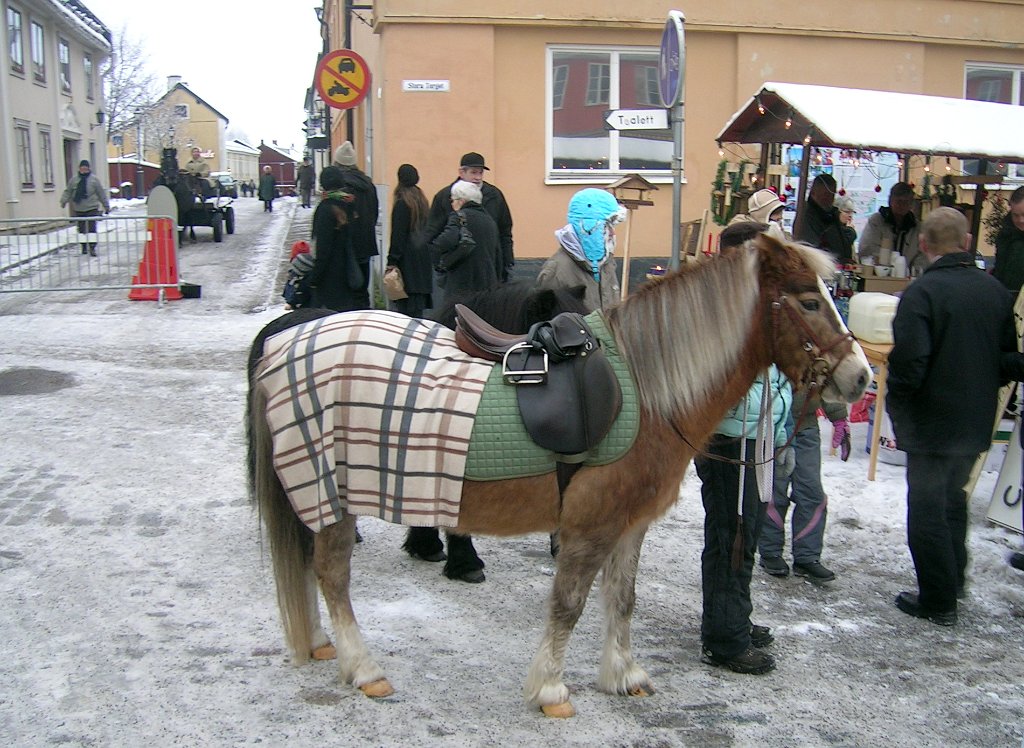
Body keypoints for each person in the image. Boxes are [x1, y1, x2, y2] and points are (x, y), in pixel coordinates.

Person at [886, 207, 1017, 626]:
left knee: (926, 510)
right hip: (975, 417)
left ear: (924, 244)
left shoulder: (922, 294)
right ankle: (953, 579)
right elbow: (1005, 358)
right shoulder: (995, 292)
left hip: (930, 421)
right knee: (953, 499)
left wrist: (898, 406)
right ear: (966, 242)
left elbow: (910, 364)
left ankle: (938, 599)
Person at [695, 220, 792, 675]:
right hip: (729, 440)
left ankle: (734, 617)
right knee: (729, 537)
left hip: (756, 434)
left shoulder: (751, 304)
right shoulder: (716, 311)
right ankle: (725, 639)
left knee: (745, 533)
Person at [759, 386, 850, 583]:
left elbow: (826, 380)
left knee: (812, 492)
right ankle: (770, 552)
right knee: (774, 491)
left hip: (806, 426)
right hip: (773, 425)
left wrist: (839, 416)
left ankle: (807, 557)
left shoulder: (817, 355)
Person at [425, 152, 514, 281]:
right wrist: (438, 264)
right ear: (462, 172)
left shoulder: (494, 195)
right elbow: (433, 231)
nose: (477, 177)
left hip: (489, 266)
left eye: (480, 173)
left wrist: (507, 262)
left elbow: (505, 231)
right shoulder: (445, 196)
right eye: (473, 172)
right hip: (456, 268)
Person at [536, 188, 626, 311]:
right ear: (589, 226)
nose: (612, 233)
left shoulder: (606, 263)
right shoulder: (557, 271)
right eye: (606, 226)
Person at [308, 165, 370, 312]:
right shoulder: (350, 204)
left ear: (323, 184)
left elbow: (322, 249)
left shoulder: (325, 209)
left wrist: (314, 278)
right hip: (348, 274)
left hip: (330, 280)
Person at [429, 180, 500, 298]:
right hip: (486, 284)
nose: (452, 204)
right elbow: (498, 253)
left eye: (453, 200)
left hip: (461, 282)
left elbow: (447, 239)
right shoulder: (490, 221)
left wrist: (433, 249)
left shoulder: (459, 216)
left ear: (461, 201)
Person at [386, 164, 433, 318]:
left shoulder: (402, 203)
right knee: (417, 313)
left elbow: (398, 236)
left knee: (405, 313)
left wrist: (391, 261)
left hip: (407, 264)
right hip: (422, 262)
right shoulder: (422, 201)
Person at [332, 141, 380, 271]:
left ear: (337, 163)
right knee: (362, 285)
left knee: (349, 287)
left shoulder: (340, 187)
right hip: (366, 243)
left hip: (347, 247)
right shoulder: (369, 184)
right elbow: (374, 213)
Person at [858, 182, 923, 274]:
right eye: (899, 201)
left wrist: (912, 271)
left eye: (906, 202)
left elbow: (922, 255)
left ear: (911, 204)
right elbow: (867, 248)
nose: (902, 206)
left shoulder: (917, 227)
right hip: (878, 276)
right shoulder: (877, 221)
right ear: (890, 201)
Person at [795, 173, 855, 264]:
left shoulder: (830, 214)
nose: (830, 198)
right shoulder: (807, 215)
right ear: (814, 192)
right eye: (826, 194)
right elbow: (811, 247)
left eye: (832, 194)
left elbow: (840, 244)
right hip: (818, 267)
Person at [60, 159, 110, 257]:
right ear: (79, 169)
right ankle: (83, 246)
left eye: (86, 168)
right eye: (82, 168)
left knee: (91, 228)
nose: (84, 170)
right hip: (79, 208)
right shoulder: (74, 180)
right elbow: (68, 191)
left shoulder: (94, 180)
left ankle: (92, 247)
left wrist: (106, 206)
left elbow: (101, 193)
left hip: (92, 207)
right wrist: (63, 201)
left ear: (88, 169)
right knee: (81, 229)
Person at [992, 185, 1024, 299]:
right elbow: (1000, 267)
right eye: (1016, 215)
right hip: (1006, 296)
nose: (1021, 220)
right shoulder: (1005, 234)